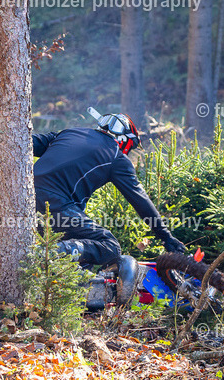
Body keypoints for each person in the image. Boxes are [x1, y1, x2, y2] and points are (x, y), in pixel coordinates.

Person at [31, 111, 186, 304]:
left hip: (24, 198)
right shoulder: (116, 156)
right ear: (125, 140)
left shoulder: (67, 133)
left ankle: (64, 294)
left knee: (82, 249)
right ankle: (52, 253)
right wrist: (166, 237)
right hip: (55, 205)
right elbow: (140, 200)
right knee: (109, 246)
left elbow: (22, 142)